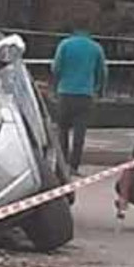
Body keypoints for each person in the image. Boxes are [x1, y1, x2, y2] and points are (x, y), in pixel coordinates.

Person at [51, 12, 108, 170]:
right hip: (85, 95)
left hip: (65, 92)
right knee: (79, 132)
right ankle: (74, 165)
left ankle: (61, 164)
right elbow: (102, 72)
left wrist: (54, 88)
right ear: (89, 28)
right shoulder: (96, 48)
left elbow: (56, 68)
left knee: (62, 129)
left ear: (73, 28)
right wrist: (100, 90)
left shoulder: (64, 45)